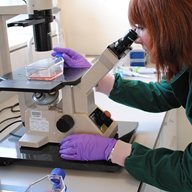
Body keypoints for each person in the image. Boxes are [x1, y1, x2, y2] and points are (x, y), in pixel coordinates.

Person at [51, 0, 192, 191]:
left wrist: (117, 151)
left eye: (141, 28)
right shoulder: (186, 60)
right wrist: (96, 77)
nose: (136, 39)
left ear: (169, 26)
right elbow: (163, 95)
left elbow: (187, 175)